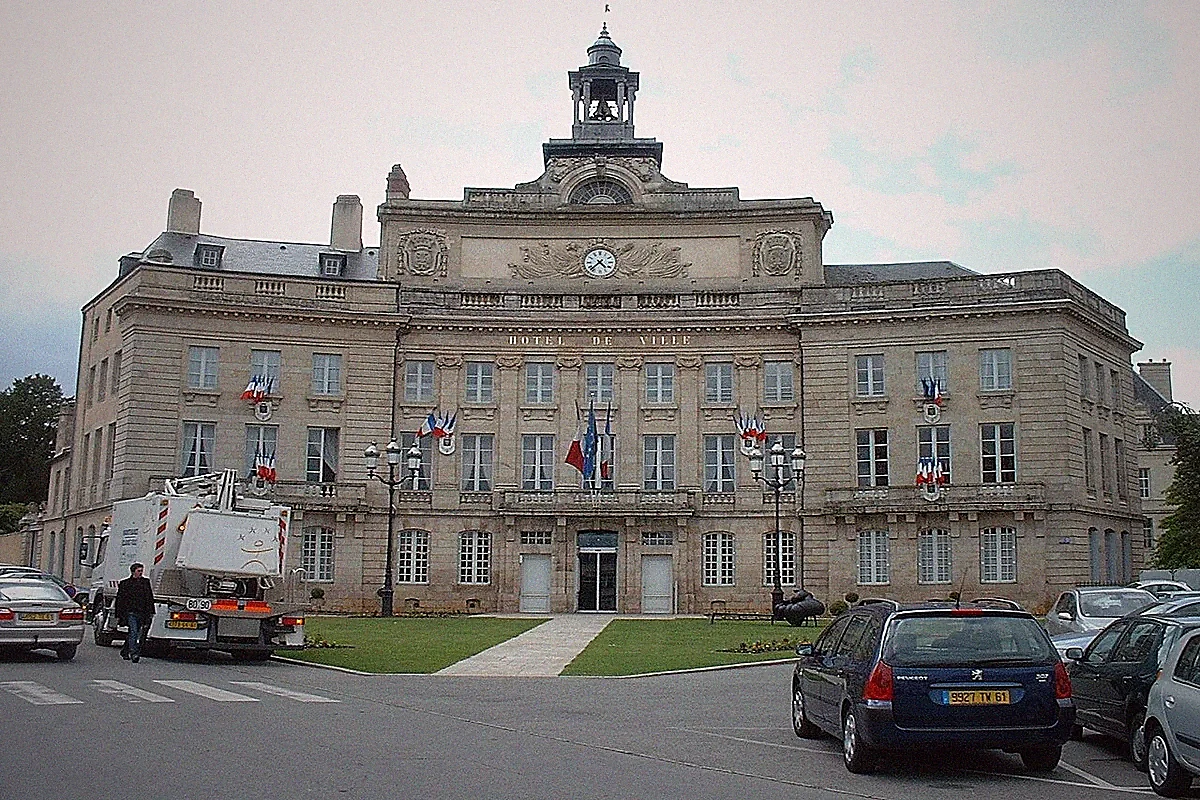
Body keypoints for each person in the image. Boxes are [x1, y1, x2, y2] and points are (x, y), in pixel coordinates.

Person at [115, 563, 155, 663]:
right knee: (134, 632)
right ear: (133, 572)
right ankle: (134, 653)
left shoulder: (145, 582)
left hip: (142, 612)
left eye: (141, 571)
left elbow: (149, 598)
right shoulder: (125, 583)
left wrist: (151, 612)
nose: (141, 573)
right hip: (131, 612)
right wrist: (119, 614)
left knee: (137, 633)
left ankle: (125, 651)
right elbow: (120, 600)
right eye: (139, 571)